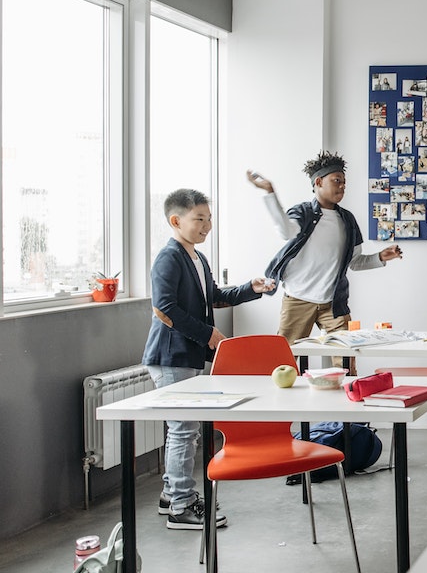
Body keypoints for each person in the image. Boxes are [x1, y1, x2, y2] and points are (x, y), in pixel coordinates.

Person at [142, 189, 272, 530]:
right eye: (199, 219)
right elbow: (164, 308)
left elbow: (213, 297)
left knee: (180, 428)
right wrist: (208, 335)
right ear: (176, 220)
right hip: (170, 356)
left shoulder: (197, 258)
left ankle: (172, 494)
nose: (207, 226)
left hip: (185, 355)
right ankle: (182, 507)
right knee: (184, 429)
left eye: (209, 219)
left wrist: (250, 288)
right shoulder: (169, 257)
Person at [247, 151, 402, 343]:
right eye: (337, 180)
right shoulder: (302, 212)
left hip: (333, 304)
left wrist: (379, 257)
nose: (343, 186)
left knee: (346, 358)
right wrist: (270, 191)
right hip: (298, 299)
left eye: (344, 182)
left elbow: (354, 262)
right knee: (285, 357)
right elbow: (286, 232)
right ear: (318, 182)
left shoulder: (348, 220)